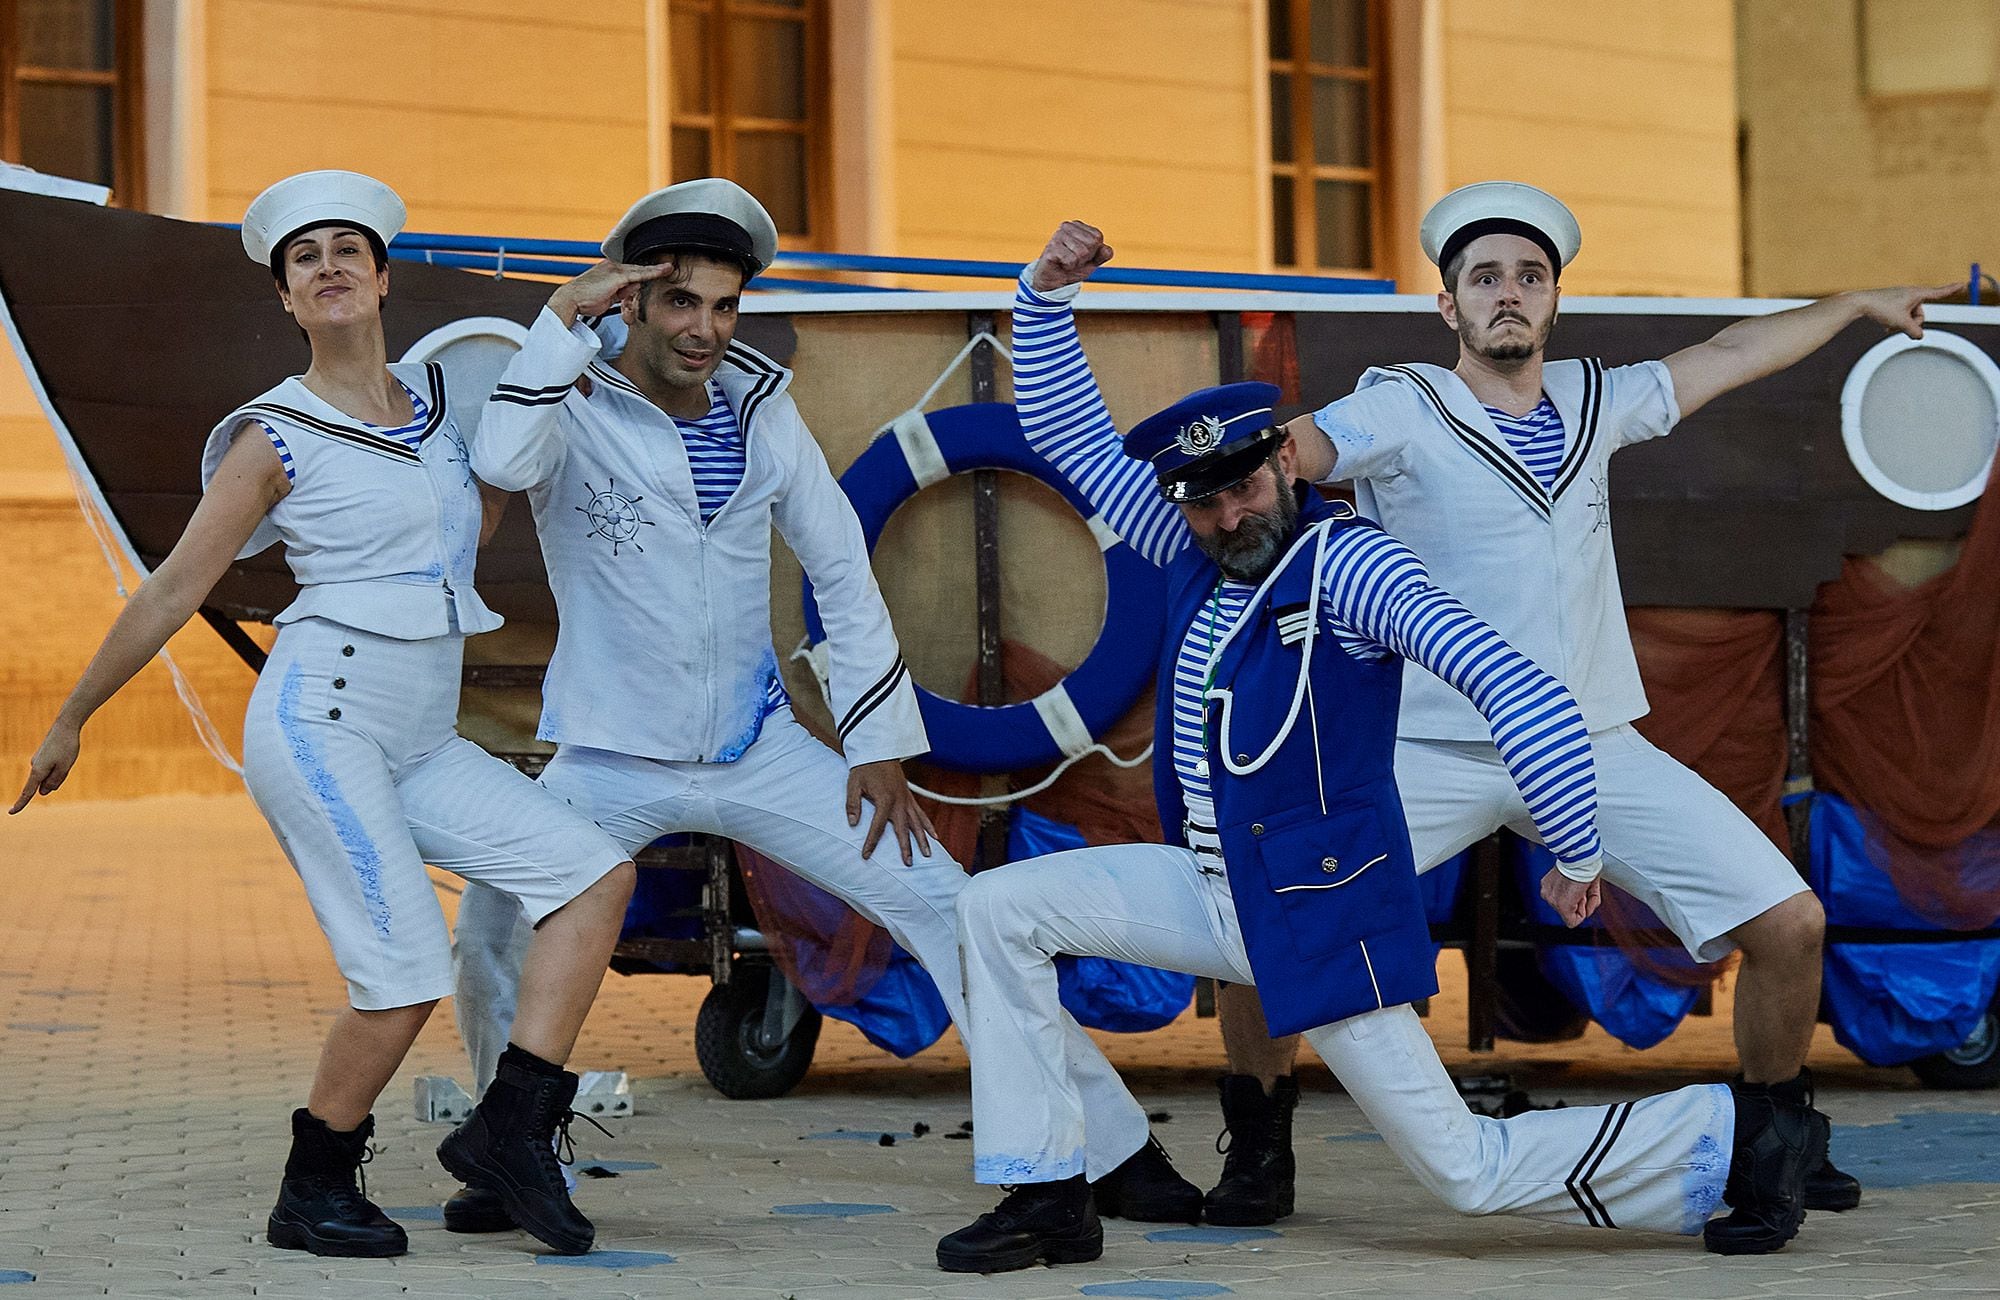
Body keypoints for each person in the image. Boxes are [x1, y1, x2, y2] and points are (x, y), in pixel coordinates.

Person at [932, 223, 1828, 1275]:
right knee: (992, 909)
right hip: (1219, 891)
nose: (1229, 512)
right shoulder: (1194, 541)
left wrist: (1575, 847)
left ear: (1285, 461)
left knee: (1466, 1174)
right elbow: (1073, 443)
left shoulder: (1348, 565)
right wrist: (1041, 298)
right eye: (1205, 497)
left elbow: (1515, 683)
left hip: (1318, 910)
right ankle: (1046, 1192)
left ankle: (1721, 1149)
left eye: (1246, 484)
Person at [442, 178, 1201, 1233]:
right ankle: (505, 1161)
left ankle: (1111, 1152)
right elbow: (501, 461)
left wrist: (877, 742)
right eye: (679, 303)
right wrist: (562, 321)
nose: (704, 329)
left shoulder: (762, 406)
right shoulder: (566, 400)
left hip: (758, 748)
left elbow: (839, 566)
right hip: (608, 758)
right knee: (491, 927)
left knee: (951, 907)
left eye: (722, 305)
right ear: (630, 303)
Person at [1211, 180, 1951, 1233]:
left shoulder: (1597, 399)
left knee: (1790, 923)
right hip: (1422, 744)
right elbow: (1290, 455)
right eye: (1483, 279)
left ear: (1554, 300)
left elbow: (1728, 357)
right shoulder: (1401, 404)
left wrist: (1848, 305)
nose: (1505, 294)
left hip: (1588, 740)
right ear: (1447, 306)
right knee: (1252, 920)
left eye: (1527, 276)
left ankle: (1773, 1142)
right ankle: (1257, 1147)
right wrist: (1235, 463)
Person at [10, 171, 639, 1259]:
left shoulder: (441, 411)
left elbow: (478, 518)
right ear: (289, 300)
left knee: (591, 875)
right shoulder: (274, 433)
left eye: (349, 248)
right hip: (321, 720)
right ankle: (313, 1185)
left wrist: (562, 334)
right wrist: (72, 717)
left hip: (422, 737)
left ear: (383, 278)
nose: (331, 266)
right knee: (398, 979)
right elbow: (172, 586)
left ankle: (512, 1130)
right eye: (306, 258)